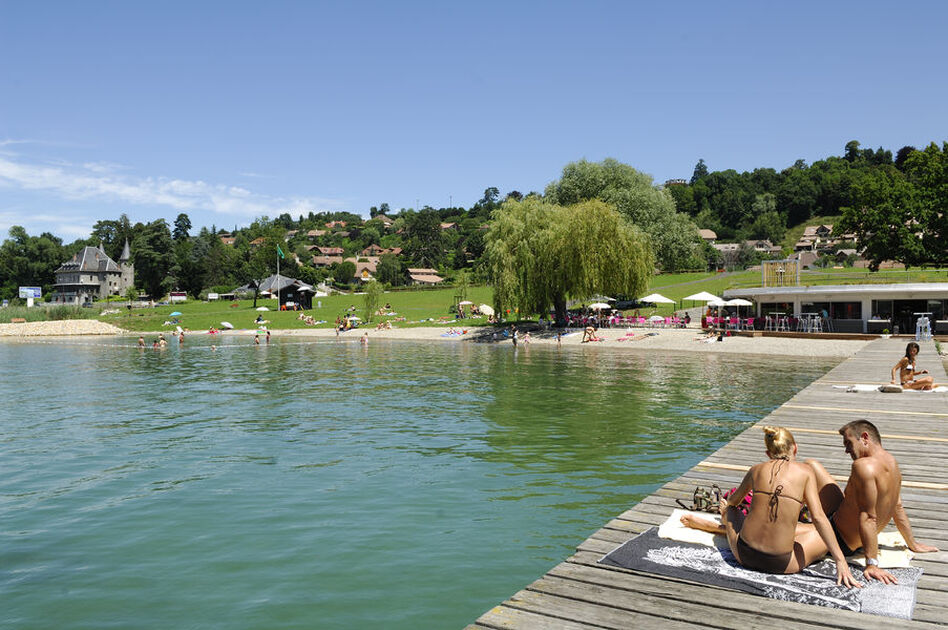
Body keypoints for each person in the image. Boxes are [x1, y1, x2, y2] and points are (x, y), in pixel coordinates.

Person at [681, 426, 860, 586]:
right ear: (795, 447)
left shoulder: (756, 469)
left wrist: (728, 510)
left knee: (730, 509)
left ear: (768, 454)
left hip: (744, 554)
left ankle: (722, 528)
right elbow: (820, 517)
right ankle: (721, 529)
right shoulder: (805, 472)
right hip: (781, 563)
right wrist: (840, 560)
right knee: (820, 533)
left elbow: (733, 502)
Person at [806, 419, 938, 584]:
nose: (846, 450)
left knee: (778, 539)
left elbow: (868, 517)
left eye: (848, 443)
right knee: (810, 465)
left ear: (865, 437)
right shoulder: (892, 462)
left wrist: (872, 563)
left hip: (839, 537)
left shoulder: (862, 466)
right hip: (847, 523)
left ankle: (801, 513)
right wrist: (912, 543)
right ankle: (806, 512)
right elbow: (897, 506)